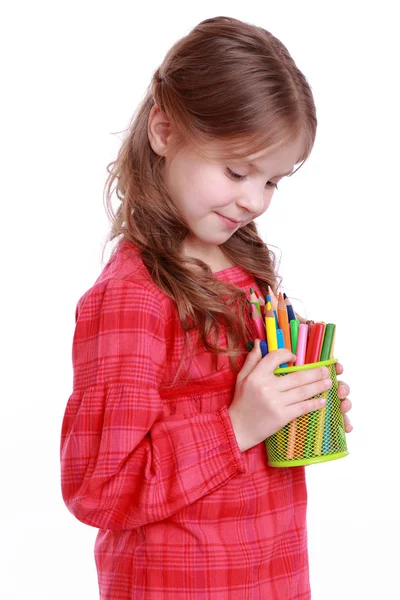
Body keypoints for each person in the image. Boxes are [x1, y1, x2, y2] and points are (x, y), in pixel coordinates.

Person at [60, 15, 352, 600]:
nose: (255, 201)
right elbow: (100, 486)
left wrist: (300, 407)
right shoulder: (132, 296)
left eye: (273, 182)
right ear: (165, 131)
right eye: (238, 171)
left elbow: (249, 434)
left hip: (273, 575)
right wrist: (238, 423)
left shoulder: (246, 269)